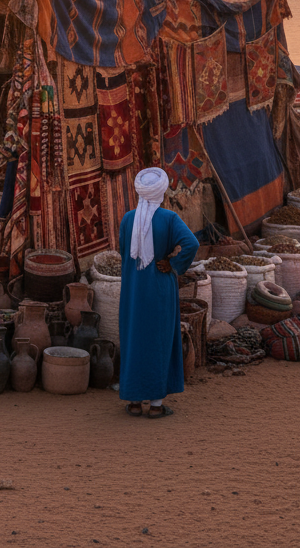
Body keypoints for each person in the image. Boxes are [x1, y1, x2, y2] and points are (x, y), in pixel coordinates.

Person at [118, 167, 199, 419]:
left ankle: (133, 402)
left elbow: (123, 251)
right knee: (158, 341)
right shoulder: (169, 219)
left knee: (134, 339)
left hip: (133, 290)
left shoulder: (128, 219)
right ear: (162, 193)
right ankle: (155, 405)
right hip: (160, 289)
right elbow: (192, 244)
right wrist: (173, 265)